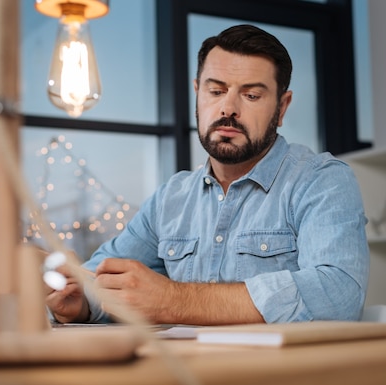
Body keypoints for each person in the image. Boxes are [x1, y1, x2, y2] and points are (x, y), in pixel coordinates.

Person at [46, 24, 369, 325]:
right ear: (198, 93)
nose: (228, 108)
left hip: (280, 382)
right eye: (216, 91)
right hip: (182, 377)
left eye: (251, 95)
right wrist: (80, 303)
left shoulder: (321, 181)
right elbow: (100, 278)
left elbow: (337, 295)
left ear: (282, 108)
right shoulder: (170, 200)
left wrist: (174, 300)